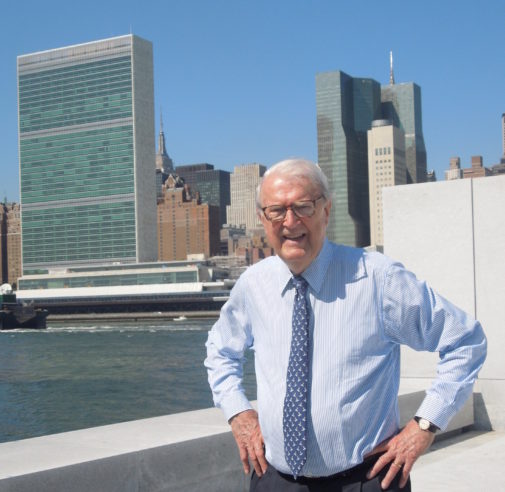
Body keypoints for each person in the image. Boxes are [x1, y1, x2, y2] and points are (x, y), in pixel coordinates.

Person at [205, 158, 486, 491]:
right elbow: (220, 351)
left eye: (303, 207)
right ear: (262, 219)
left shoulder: (379, 279)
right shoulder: (253, 284)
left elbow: (465, 341)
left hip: (365, 480)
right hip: (274, 479)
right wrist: (239, 413)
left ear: (326, 211)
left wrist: (423, 426)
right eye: (276, 211)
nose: (290, 221)